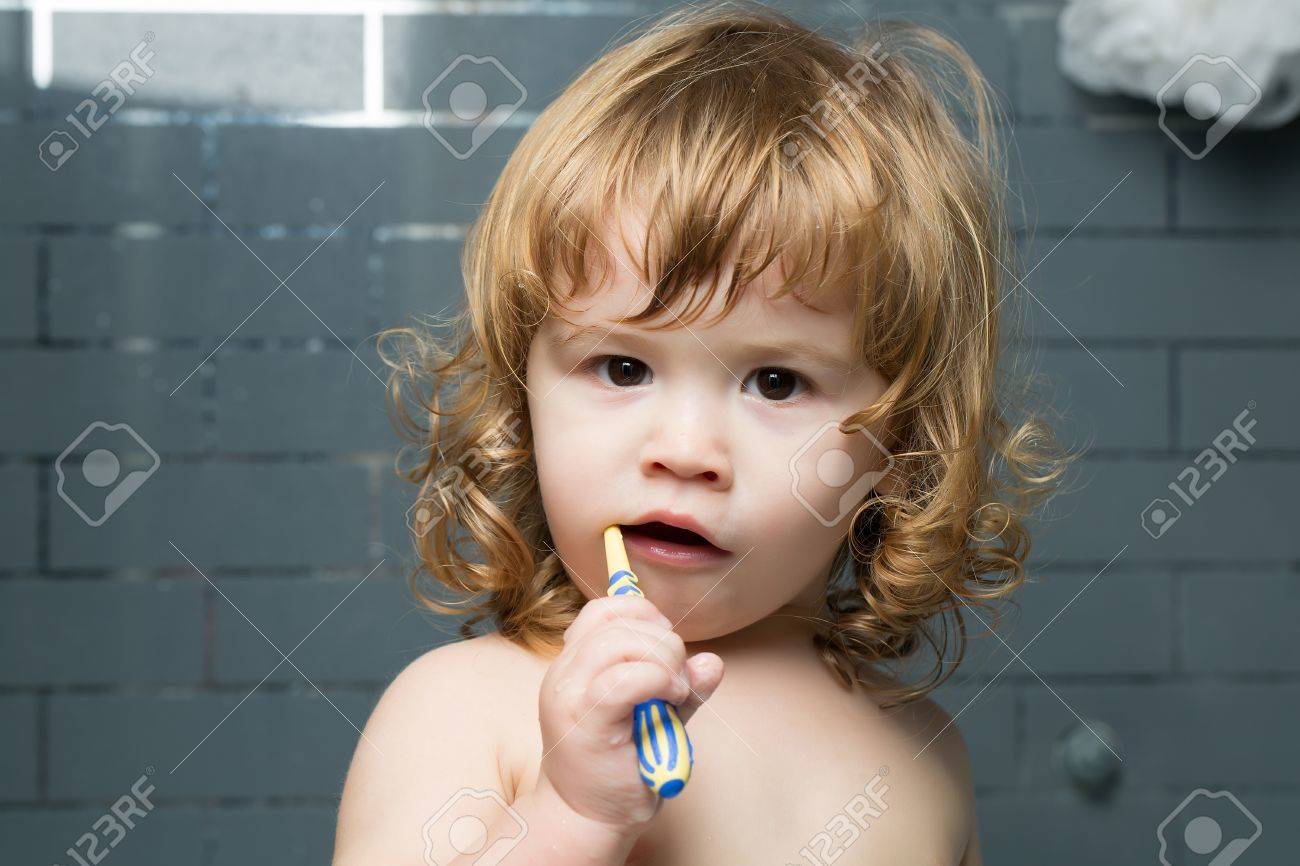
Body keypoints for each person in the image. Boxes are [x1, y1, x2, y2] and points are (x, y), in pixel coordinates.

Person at [334, 2, 1073, 863]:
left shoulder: (924, 754)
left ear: (902, 447)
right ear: (519, 392)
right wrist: (572, 815)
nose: (684, 452)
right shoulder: (464, 708)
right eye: (622, 368)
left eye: (776, 381)